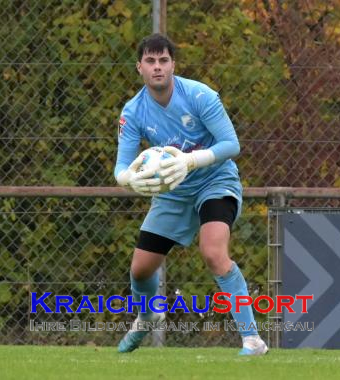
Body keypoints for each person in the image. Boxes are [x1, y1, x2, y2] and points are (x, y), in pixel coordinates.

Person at [114, 33, 268, 356]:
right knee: (140, 269)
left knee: (213, 252)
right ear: (139, 67)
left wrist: (190, 160)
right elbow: (121, 167)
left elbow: (231, 144)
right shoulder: (133, 111)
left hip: (215, 181)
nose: (158, 67)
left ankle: (252, 340)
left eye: (164, 61)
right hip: (173, 192)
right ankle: (147, 316)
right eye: (150, 61)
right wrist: (129, 178)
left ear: (173, 65)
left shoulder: (199, 95)